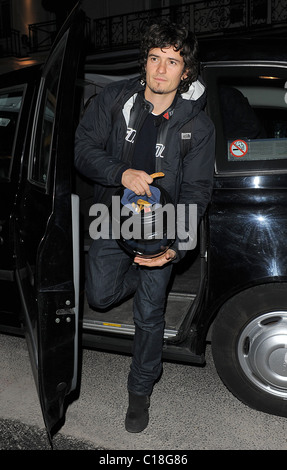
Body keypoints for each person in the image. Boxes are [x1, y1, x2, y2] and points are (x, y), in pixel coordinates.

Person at [74, 21, 215, 433]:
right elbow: (83, 149)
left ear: (185, 71)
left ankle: (140, 392)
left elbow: (197, 191)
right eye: (155, 58)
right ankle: (137, 274)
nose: (161, 69)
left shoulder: (196, 126)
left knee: (149, 316)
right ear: (146, 61)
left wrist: (176, 249)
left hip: (163, 225)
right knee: (98, 296)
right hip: (111, 215)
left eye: (173, 61)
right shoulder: (115, 99)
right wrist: (121, 173)